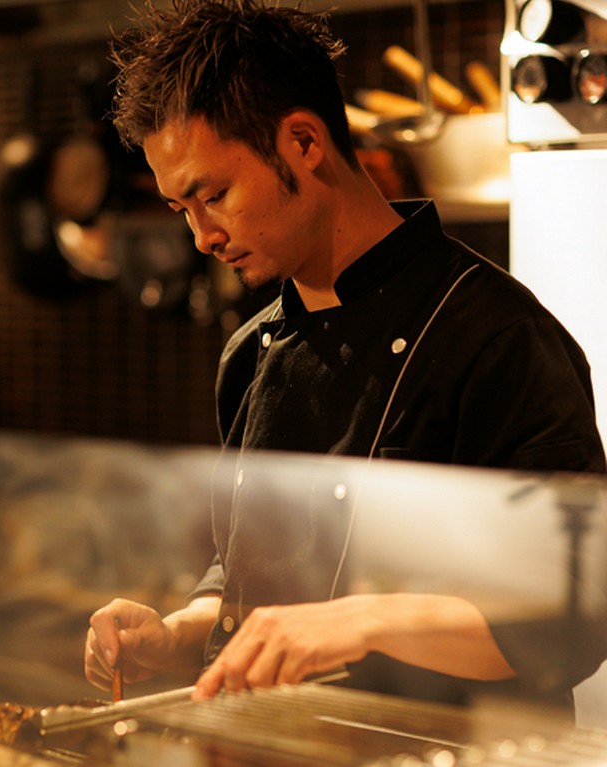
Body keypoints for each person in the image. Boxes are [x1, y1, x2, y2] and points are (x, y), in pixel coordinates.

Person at [84, 0, 606, 711]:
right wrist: (180, 631)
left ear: (304, 142)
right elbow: (252, 572)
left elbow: (574, 615)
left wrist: (361, 621)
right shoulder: (249, 356)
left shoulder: (496, 337)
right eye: (184, 210)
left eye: (215, 195)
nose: (202, 236)